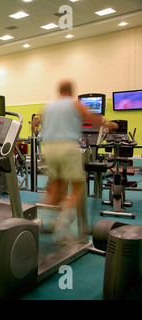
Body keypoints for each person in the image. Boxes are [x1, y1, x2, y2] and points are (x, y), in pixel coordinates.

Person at [33, 80, 117, 244]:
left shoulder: (48, 106)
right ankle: (62, 228)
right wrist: (110, 125)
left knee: (55, 185)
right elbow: (94, 119)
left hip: (49, 148)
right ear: (71, 91)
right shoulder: (75, 104)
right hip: (67, 147)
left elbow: (37, 123)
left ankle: (45, 221)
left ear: (59, 91)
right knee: (78, 186)